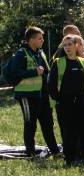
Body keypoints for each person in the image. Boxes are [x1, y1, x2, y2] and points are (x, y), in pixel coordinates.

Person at [8, 27, 61, 157]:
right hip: (26, 96)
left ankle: (55, 151)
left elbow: (46, 72)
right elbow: (15, 73)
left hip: (42, 95)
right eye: (40, 38)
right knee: (30, 124)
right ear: (31, 40)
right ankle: (30, 153)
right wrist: (34, 72)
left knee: (48, 123)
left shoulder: (40, 52)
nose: (42, 40)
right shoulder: (21, 53)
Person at [48, 34, 84, 165]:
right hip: (65, 104)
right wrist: (59, 99)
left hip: (83, 103)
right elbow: (51, 85)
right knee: (68, 131)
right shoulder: (58, 62)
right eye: (65, 45)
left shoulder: (83, 62)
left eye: (70, 44)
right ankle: (70, 158)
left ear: (76, 46)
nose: (67, 47)